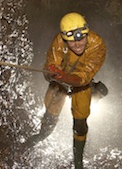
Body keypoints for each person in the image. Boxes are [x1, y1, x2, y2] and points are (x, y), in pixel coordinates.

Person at [25, 12, 106, 169]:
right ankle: (41, 135)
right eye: (71, 41)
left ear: (87, 32)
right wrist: (51, 73)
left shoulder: (97, 45)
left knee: (80, 119)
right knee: (51, 109)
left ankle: (78, 161)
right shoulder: (59, 41)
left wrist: (63, 77)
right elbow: (49, 69)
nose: (77, 44)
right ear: (64, 38)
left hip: (80, 82)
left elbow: (83, 77)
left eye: (81, 38)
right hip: (60, 79)